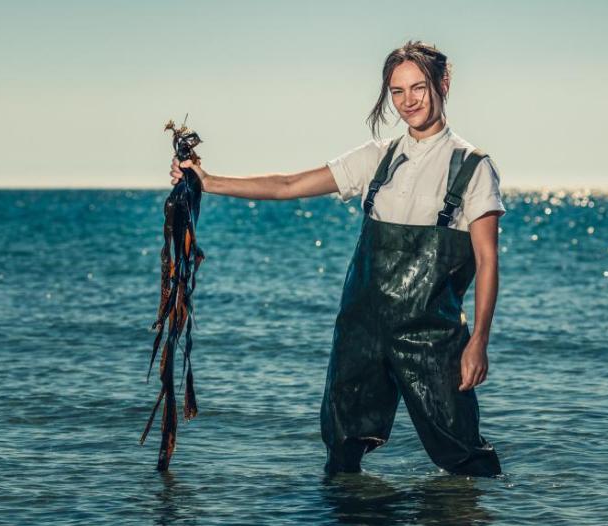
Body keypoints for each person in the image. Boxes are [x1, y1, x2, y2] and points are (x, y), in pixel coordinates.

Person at [168, 40, 504, 477]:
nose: (408, 101)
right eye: (397, 91)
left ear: (444, 83)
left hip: (431, 337)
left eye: (418, 88)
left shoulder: (472, 166)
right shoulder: (378, 158)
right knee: (342, 448)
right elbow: (288, 185)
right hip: (360, 330)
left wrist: (478, 341)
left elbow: (487, 259)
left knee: (463, 452)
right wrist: (208, 181)